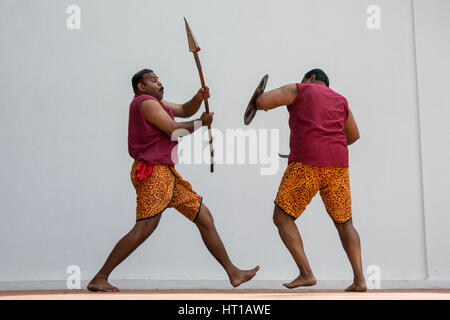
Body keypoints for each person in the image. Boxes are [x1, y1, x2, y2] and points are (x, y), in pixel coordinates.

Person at [87, 69, 259, 292]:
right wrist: (199, 123)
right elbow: (172, 130)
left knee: (204, 217)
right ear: (141, 86)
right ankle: (100, 277)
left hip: (166, 173)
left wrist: (198, 99)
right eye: (153, 80)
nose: (159, 82)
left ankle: (233, 273)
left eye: (158, 79)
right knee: (145, 227)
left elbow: (185, 109)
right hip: (153, 172)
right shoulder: (145, 103)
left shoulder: (158, 103)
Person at [255, 69, 366, 292]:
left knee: (282, 217)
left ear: (312, 78)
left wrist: (259, 99)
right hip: (338, 167)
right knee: (345, 223)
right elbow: (353, 136)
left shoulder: (299, 89)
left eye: (305, 78)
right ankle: (360, 280)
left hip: (306, 165)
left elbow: (262, 102)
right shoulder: (341, 101)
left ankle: (306, 273)